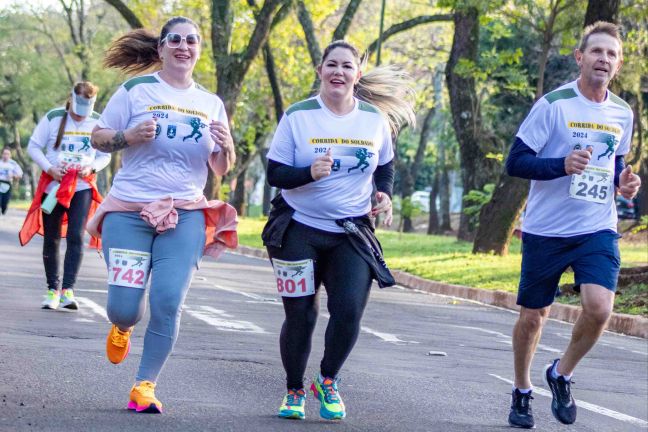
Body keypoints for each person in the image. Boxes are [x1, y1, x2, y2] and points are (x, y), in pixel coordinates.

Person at [87, 16, 238, 414]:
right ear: (161, 49)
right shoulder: (135, 90)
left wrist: (226, 148)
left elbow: (220, 167)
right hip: (129, 212)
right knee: (124, 307)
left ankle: (144, 386)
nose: (183, 46)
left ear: (198, 49)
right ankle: (121, 325)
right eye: (175, 40)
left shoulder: (211, 103)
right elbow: (98, 137)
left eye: (191, 40)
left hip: (184, 212)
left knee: (168, 300)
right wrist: (129, 137)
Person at [262, 40, 415, 421]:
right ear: (320, 70)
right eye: (332, 65)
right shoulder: (298, 117)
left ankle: (327, 380)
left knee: (348, 311)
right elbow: (274, 174)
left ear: (356, 74)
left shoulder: (373, 120)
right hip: (297, 227)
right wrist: (306, 173)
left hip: (350, 231)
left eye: (347, 66)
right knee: (301, 315)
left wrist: (384, 193)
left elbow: (385, 166)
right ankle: (294, 390)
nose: (339, 72)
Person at [505, 21, 641, 429]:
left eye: (611, 54)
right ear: (580, 57)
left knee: (599, 308)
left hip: (596, 226)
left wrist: (624, 182)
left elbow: (615, 161)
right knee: (534, 316)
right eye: (596, 52)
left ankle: (561, 373)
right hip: (546, 228)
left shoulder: (622, 112)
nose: (604, 59)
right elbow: (516, 162)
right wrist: (560, 165)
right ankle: (522, 390)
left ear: (617, 65)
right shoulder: (554, 105)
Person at [19, 82, 110, 311]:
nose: (81, 117)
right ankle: (52, 289)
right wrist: (50, 168)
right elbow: (34, 147)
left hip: (81, 187)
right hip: (53, 188)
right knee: (52, 237)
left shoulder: (98, 121)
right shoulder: (53, 118)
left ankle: (68, 290)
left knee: (76, 236)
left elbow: (105, 155)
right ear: (71, 99)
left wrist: (92, 168)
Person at [0, 148, 24, 215]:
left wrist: (13, 175)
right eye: (4, 153)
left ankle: (3, 210)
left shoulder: (13, 163)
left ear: (10, 155)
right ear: (2, 154)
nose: (5, 155)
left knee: (5, 201)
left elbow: (20, 174)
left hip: (7, 184)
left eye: (7, 154)